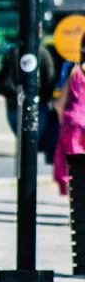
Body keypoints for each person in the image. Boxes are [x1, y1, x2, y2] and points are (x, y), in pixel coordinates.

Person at [0, 39, 55, 138]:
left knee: (24, 138)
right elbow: (50, 77)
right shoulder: (43, 53)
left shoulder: (12, 53)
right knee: (30, 138)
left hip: (16, 103)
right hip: (33, 103)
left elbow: (1, 78)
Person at [53, 35, 85, 195]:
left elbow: (59, 104)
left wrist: (65, 122)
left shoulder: (76, 71)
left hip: (73, 125)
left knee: (74, 171)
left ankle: (76, 211)